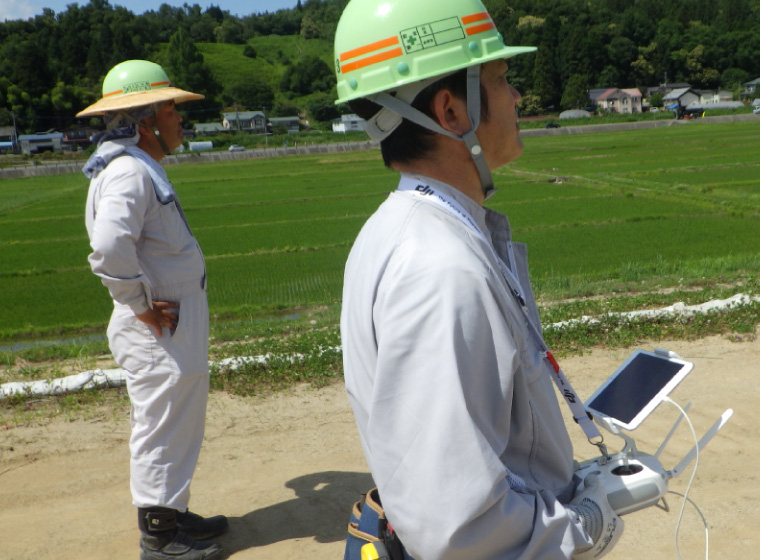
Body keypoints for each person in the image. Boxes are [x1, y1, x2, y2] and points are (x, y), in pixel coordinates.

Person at [335, 1, 624, 559]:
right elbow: (459, 526)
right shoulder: (439, 270)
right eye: (500, 78)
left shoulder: (401, 228)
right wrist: (586, 525)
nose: (516, 97)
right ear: (451, 111)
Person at [78, 60, 227, 560]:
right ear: (146, 123)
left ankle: (174, 513)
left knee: (177, 421)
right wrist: (140, 306)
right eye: (171, 110)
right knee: (162, 427)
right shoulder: (127, 172)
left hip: (170, 325)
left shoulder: (131, 166)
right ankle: (160, 537)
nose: (179, 120)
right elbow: (109, 247)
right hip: (158, 327)